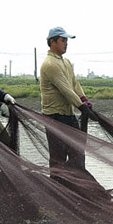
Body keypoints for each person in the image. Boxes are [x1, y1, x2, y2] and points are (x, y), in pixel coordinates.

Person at [40, 26, 96, 173]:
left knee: (77, 152)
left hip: (68, 115)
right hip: (54, 117)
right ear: (53, 42)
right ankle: (58, 188)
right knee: (58, 157)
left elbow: (74, 84)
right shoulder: (50, 64)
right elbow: (66, 90)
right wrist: (82, 107)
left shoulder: (65, 62)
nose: (66, 43)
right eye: (63, 40)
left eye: (66, 40)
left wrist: (84, 99)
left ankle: (76, 186)